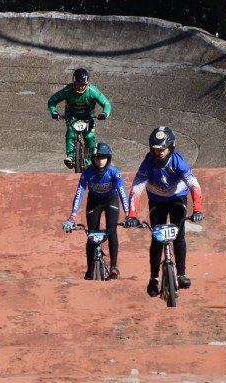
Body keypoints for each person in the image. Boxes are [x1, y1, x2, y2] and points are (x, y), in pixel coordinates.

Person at [124, 126, 204, 297]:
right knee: (157, 238)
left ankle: (181, 275)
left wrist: (197, 209)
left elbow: (193, 184)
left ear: (171, 147)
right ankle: (153, 278)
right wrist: (132, 214)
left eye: (163, 148)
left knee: (179, 235)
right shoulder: (147, 162)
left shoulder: (178, 161)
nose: (159, 152)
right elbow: (137, 188)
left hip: (177, 198)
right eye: (156, 149)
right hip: (157, 200)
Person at [62, 142, 130, 279]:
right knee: (92, 235)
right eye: (97, 158)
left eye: (103, 158)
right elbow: (80, 192)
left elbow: (122, 192)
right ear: (93, 159)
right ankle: (89, 269)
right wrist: (72, 216)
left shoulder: (114, 173)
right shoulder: (87, 172)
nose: (100, 161)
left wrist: (129, 214)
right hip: (94, 202)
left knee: (112, 231)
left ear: (108, 158)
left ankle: (114, 266)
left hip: (111, 200)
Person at [47, 68, 112, 169]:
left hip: (88, 117)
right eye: (77, 84)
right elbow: (52, 101)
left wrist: (104, 113)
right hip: (71, 116)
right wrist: (54, 112)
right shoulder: (68, 90)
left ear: (87, 83)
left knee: (89, 136)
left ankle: (90, 160)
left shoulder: (92, 91)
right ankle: (70, 156)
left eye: (83, 84)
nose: (80, 87)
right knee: (70, 132)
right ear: (73, 82)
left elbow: (106, 104)